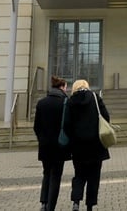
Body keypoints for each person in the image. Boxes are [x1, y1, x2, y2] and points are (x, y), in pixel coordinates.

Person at [61, 79, 111, 211]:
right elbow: (106, 116)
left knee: (79, 175)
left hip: (78, 147)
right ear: (87, 86)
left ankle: (76, 201)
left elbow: (66, 124)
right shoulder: (95, 98)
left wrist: (73, 139)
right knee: (94, 177)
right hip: (96, 145)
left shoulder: (71, 102)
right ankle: (90, 205)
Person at [33, 76, 67, 211]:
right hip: (59, 145)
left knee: (46, 173)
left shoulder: (41, 103)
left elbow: (36, 126)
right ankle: (51, 206)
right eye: (65, 87)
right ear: (62, 87)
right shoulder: (65, 102)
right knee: (56, 176)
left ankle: (43, 203)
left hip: (45, 145)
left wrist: (41, 139)